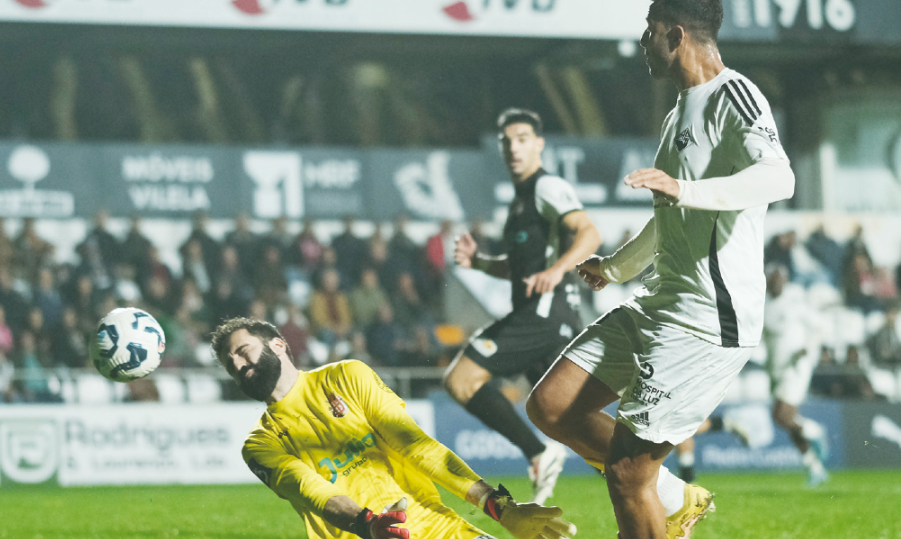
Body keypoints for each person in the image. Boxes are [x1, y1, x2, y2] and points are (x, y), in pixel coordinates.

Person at [525, 2, 795, 538]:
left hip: (706, 320)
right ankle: (675, 497)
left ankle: (657, 497)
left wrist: (684, 188)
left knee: (628, 475)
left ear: (676, 35)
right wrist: (616, 267)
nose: (642, 42)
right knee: (551, 406)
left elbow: (779, 177)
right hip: (658, 303)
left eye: (649, 31)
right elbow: (670, 214)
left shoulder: (733, 95)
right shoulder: (678, 113)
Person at [211, 317, 576, 539]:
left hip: (439, 527)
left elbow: (415, 445)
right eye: (230, 365)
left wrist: (499, 507)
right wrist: (369, 525)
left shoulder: (346, 376)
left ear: (278, 344)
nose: (238, 365)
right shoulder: (259, 445)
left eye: (242, 351)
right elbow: (315, 493)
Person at [447, 108, 603, 504]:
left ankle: (538, 453)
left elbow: (589, 233)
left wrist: (558, 269)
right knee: (568, 419)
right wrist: (479, 263)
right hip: (547, 317)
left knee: (462, 379)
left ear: (539, 144)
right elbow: (518, 268)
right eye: (507, 142)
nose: (513, 148)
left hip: (543, 315)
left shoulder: (546, 186)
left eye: (522, 139)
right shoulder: (520, 201)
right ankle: (664, 489)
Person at [761, 264, 830, 486]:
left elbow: (819, 326)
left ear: (785, 280)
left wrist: (807, 348)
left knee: (783, 415)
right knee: (781, 418)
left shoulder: (795, 302)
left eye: (779, 279)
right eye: (772, 279)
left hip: (796, 365)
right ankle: (815, 468)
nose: (775, 283)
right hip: (775, 368)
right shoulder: (763, 304)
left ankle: (816, 431)